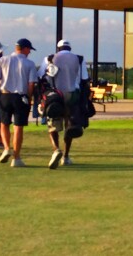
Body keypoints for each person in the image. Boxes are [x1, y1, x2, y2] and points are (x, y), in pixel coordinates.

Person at [0, 38, 38, 167]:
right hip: (21, 96)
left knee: (4, 123)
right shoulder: (30, 64)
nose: (29, 52)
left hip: (5, 95)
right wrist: (29, 98)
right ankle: (16, 157)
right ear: (24, 48)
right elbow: (31, 84)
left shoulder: (3, 60)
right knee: (18, 127)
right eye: (29, 49)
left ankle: (7, 147)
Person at [40, 39, 89, 169]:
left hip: (55, 96)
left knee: (53, 124)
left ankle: (56, 149)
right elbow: (84, 79)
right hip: (73, 95)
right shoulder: (79, 59)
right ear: (70, 48)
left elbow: (43, 76)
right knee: (70, 125)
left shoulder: (49, 58)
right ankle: (66, 156)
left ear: (58, 48)